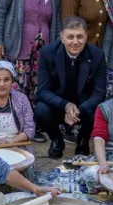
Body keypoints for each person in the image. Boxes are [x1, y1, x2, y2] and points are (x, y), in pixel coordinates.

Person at [34, 17, 107, 158]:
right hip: (58, 104)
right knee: (40, 109)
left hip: (83, 107)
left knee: (99, 109)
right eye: (70, 37)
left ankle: (83, 141)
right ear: (62, 37)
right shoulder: (47, 52)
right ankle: (56, 140)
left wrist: (78, 111)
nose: (75, 42)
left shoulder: (97, 55)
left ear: (86, 36)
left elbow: (99, 93)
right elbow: (43, 91)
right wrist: (65, 105)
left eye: (80, 36)